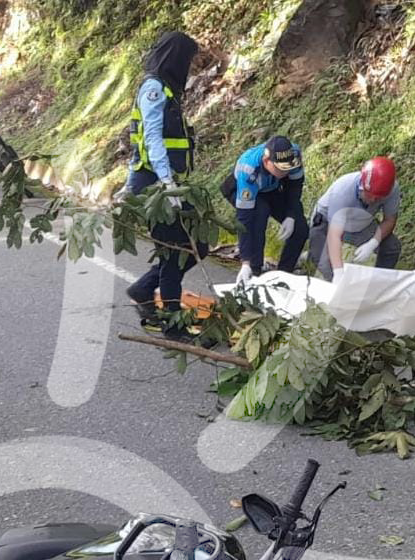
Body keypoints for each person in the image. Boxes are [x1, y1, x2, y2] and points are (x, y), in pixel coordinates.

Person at [123, 31, 209, 340]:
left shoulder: (168, 90)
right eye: (187, 60)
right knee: (175, 252)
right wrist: (167, 182)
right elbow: (152, 139)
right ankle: (174, 327)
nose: (189, 66)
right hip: (155, 186)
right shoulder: (154, 89)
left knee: (197, 245)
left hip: (164, 183)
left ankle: (144, 288)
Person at [227, 136, 307, 285]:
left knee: (300, 227)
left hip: (272, 188)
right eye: (280, 169)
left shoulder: (294, 155)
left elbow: (294, 189)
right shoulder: (248, 168)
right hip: (242, 188)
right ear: (266, 161)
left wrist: (290, 216)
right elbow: (244, 219)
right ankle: (253, 272)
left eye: (288, 168)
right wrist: (245, 262)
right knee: (259, 214)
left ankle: (283, 275)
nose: (285, 172)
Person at [307, 156, 401, 281]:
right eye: (369, 195)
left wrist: (373, 242)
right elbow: (334, 235)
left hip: (360, 222)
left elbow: (390, 219)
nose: (373, 200)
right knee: (326, 265)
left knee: (391, 247)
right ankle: (337, 290)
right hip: (328, 222)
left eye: (378, 198)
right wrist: (338, 272)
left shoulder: (391, 189)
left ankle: (376, 284)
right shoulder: (343, 191)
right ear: (361, 186)